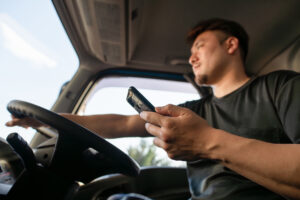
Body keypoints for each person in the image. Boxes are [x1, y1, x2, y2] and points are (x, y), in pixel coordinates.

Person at [6, 18, 300, 200]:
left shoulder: (279, 88)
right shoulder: (194, 109)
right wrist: (50, 120)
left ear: (231, 44)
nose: (192, 57)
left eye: (200, 46)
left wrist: (207, 143)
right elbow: (121, 124)